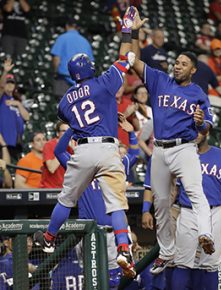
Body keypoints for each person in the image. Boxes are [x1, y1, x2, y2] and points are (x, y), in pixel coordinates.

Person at [33, 7, 143, 278]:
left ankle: (48, 238)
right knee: (116, 204)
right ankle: (124, 248)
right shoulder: (105, 81)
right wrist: (127, 30)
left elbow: (66, 117)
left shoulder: (64, 100)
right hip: (107, 148)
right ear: (90, 68)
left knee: (66, 200)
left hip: (81, 150)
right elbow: (124, 57)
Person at [131, 9, 216, 273]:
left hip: (184, 148)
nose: (177, 65)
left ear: (193, 70)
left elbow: (207, 126)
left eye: (182, 63)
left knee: (195, 192)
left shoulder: (197, 92)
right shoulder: (159, 80)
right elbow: (133, 60)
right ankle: (166, 252)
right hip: (159, 150)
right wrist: (133, 32)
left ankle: (206, 235)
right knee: (161, 204)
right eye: (176, 62)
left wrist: (200, 121)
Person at [54, 116, 140, 283]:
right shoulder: (78, 164)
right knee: (92, 281)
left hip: (114, 233)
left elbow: (135, 153)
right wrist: (73, 128)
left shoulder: (118, 164)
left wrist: (131, 134)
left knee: (117, 281)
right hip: (89, 233)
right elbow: (58, 152)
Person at [172, 132, 221, 290]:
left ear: (208, 132)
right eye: (194, 130)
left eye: (200, 130)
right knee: (183, 261)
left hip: (214, 211)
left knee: (211, 262)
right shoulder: (181, 155)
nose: (196, 134)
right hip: (188, 211)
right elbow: (173, 189)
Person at [51, 17, 94, 99]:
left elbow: (56, 59)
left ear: (67, 26)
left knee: (61, 106)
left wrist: (55, 72)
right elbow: (90, 64)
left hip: (63, 78)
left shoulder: (62, 38)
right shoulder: (85, 41)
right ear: (78, 28)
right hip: (81, 82)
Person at [0, 59, 29, 161]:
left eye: (12, 83)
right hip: (3, 141)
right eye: (8, 82)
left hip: (15, 143)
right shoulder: (2, 98)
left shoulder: (17, 101)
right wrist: (5, 71)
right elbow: (1, 87)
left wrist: (18, 104)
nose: (10, 85)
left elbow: (27, 117)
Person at [39, 121, 71, 188]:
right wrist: (63, 148)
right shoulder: (49, 145)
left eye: (69, 131)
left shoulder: (74, 145)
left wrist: (74, 149)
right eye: (64, 131)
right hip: (50, 189)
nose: (67, 134)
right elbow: (52, 168)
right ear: (57, 133)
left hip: (68, 189)